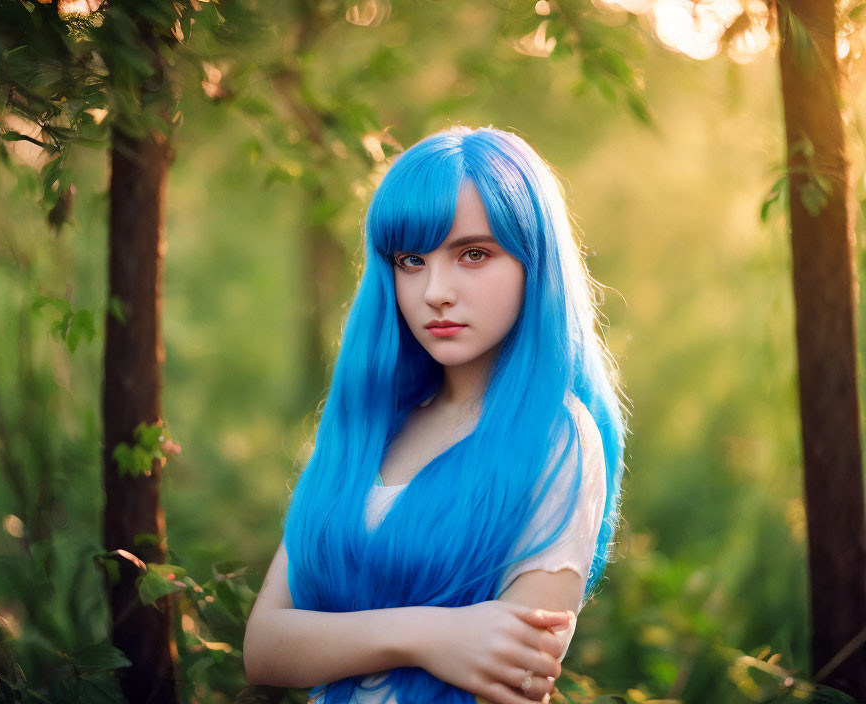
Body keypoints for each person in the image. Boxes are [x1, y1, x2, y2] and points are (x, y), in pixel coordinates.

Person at [243, 125, 629, 704]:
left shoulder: (558, 438)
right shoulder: (369, 427)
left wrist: (340, 637)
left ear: (534, 262)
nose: (435, 291)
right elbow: (265, 648)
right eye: (411, 260)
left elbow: (517, 676)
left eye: (473, 254)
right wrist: (429, 633)